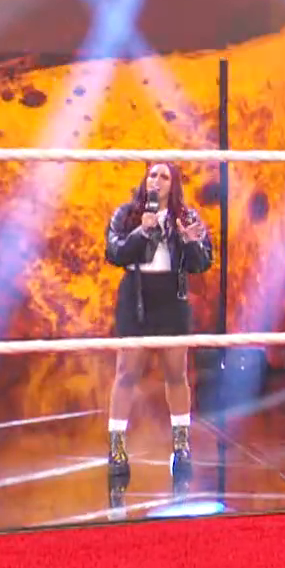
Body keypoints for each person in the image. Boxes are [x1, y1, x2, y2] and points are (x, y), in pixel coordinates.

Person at [103, 162, 214, 483]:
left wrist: (190, 242)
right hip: (137, 298)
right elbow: (115, 253)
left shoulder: (187, 217)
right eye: (153, 174)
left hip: (172, 300)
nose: (157, 180)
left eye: (164, 176)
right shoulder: (127, 214)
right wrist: (142, 231)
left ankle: (181, 446)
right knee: (126, 373)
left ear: (173, 184)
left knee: (176, 374)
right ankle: (116, 448)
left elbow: (202, 263)